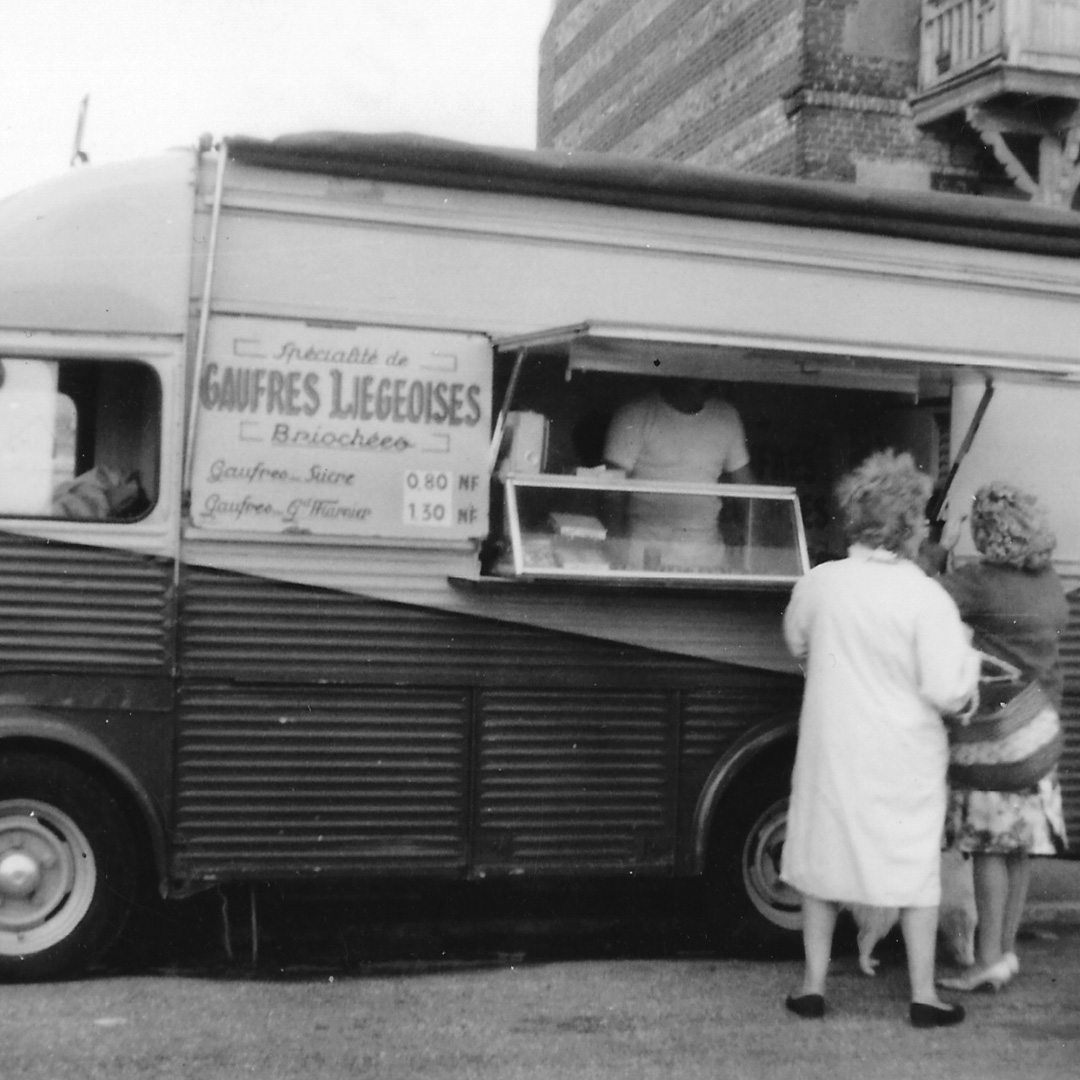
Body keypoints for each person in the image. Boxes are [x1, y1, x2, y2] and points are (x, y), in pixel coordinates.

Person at [780, 449, 980, 1028]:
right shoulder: (927, 598)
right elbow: (946, 688)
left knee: (823, 864)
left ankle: (812, 986)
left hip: (832, 747)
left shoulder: (820, 583)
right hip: (904, 755)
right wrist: (968, 677)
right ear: (913, 525)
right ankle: (923, 995)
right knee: (911, 868)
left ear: (854, 518)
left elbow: (797, 643)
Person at [937, 482, 1069, 993]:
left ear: (991, 534)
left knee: (989, 846)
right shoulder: (1050, 583)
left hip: (995, 735)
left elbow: (925, 597)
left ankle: (986, 957)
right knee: (1020, 849)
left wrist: (937, 555)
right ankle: (1006, 951)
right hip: (1039, 733)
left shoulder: (981, 583)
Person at [601, 378, 754, 569]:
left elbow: (748, 495)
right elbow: (610, 494)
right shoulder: (635, 414)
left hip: (708, 557)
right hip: (644, 556)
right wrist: (618, 552)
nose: (699, 382)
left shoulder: (726, 417)